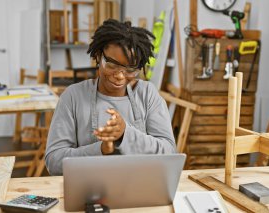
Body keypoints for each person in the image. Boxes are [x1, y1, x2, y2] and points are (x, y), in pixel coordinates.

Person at [45, 19, 176, 175]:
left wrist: (125, 134)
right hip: (89, 191)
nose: (120, 76)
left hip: (140, 188)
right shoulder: (73, 97)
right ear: (99, 56)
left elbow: (169, 153)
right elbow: (54, 161)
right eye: (112, 65)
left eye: (130, 70)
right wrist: (100, 149)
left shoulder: (147, 94)